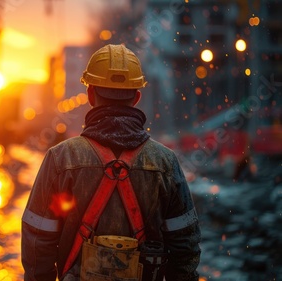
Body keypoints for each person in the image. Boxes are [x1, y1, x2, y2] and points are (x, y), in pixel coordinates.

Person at [21, 44, 201, 281]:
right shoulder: (165, 162)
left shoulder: (61, 158)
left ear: (90, 94)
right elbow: (184, 247)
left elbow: (38, 242)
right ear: (137, 97)